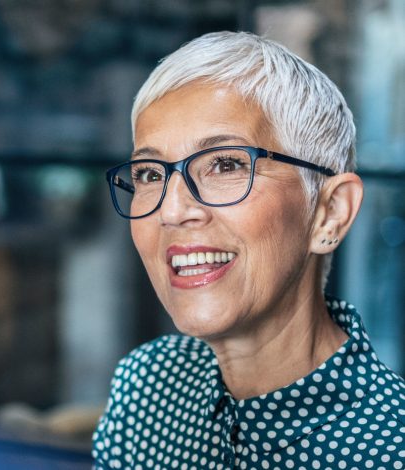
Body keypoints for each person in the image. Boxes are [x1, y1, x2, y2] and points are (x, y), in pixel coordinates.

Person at [94, 31, 405, 468]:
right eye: (148, 174)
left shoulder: (392, 449)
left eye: (225, 164)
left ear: (329, 213)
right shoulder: (145, 385)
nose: (172, 210)